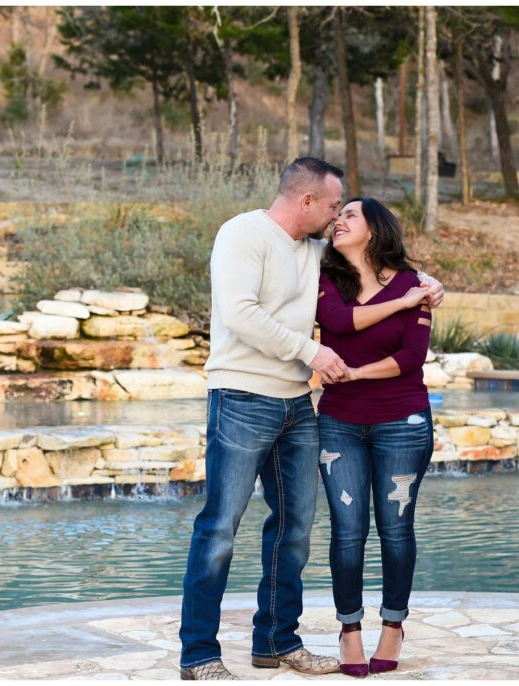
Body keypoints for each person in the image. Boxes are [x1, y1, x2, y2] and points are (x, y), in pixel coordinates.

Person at [179, 159, 444, 680]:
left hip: (299, 406)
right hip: (241, 396)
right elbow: (239, 312)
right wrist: (313, 352)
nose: (334, 218)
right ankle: (199, 654)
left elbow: (383, 269)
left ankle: (277, 642)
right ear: (306, 202)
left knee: (294, 530)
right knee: (220, 529)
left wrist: (428, 284)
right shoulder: (242, 233)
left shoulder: (318, 253)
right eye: (331, 206)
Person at [315, 197, 435, 678]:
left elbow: (413, 355)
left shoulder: (415, 283)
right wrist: (403, 304)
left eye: (349, 215)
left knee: (395, 529)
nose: (337, 221)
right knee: (347, 531)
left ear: (375, 229)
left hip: (402, 421)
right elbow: (339, 324)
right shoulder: (326, 282)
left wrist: (358, 373)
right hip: (338, 422)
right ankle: (349, 631)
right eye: (336, 214)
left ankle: (392, 626)